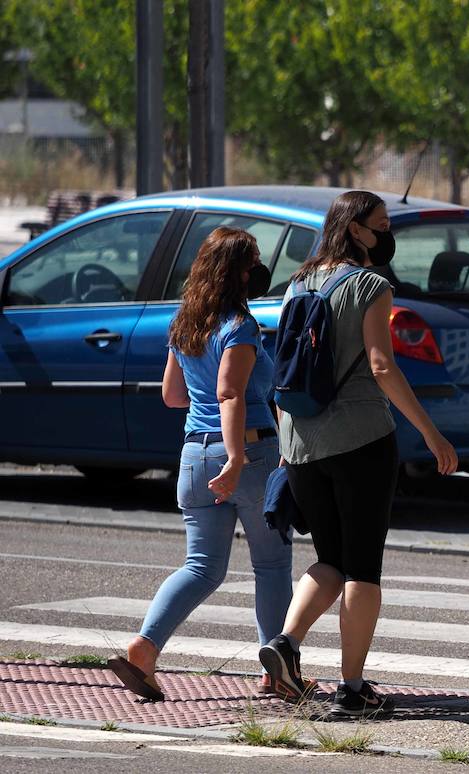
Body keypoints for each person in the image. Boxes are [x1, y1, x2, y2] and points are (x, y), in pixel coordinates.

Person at [259, 190, 458, 718]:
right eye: (382, 224)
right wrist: (433, 436)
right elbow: (382, 366)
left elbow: (284, 372)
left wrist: (285, 445)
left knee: (330, 557)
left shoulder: (298, 283)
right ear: (356, 231)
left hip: (301, 444)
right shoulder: (371, 286)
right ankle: (352, 689)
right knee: (363, 567)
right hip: (361, 440)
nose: (388, 233)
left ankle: (285, 643)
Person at [109, 227, 290, 702]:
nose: (259, 273)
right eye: (252, 264)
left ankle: (145, 648)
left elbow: (173, 395)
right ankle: (276, 671)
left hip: (192, 452)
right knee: (271, 564)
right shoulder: (241, 328)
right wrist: (234, 458)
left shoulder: (186, 323)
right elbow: (230, 392)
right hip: (248, 454)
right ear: (240, 273)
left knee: (201, 567)